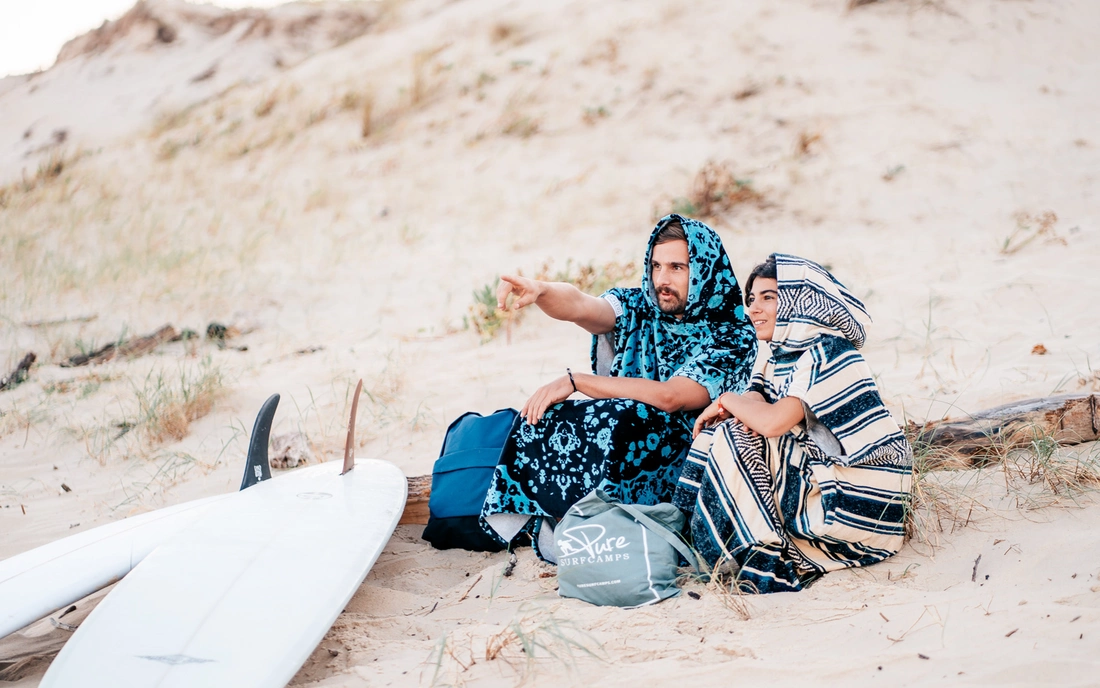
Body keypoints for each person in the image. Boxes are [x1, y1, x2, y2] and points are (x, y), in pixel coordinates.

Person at [480, 214, 757, 560]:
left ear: (704, 269)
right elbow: (583, 305)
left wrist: (578, 381)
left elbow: (672, 398)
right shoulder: (639, 306)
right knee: (554, 413)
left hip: (687, 454)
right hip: (626, 429)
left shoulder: (731, 333)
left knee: (624, 416)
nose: (661, 280)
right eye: (656, 266)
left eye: (676, 268)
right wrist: (543, 291)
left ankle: (604, 529)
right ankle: (558, 523)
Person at [673, 253, 912, 593]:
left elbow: (773, 423)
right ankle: (695, 541)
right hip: (823, 473)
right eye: (751, 299)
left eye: (768, 298)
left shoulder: (828, 350)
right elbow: (757, 396)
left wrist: (725, 400)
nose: (753, 309)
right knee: (721, 432)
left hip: (866, 495)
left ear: (799, 304)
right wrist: (738, 406)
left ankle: (761, 558)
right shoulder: (778, 351)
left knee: (732, 435)